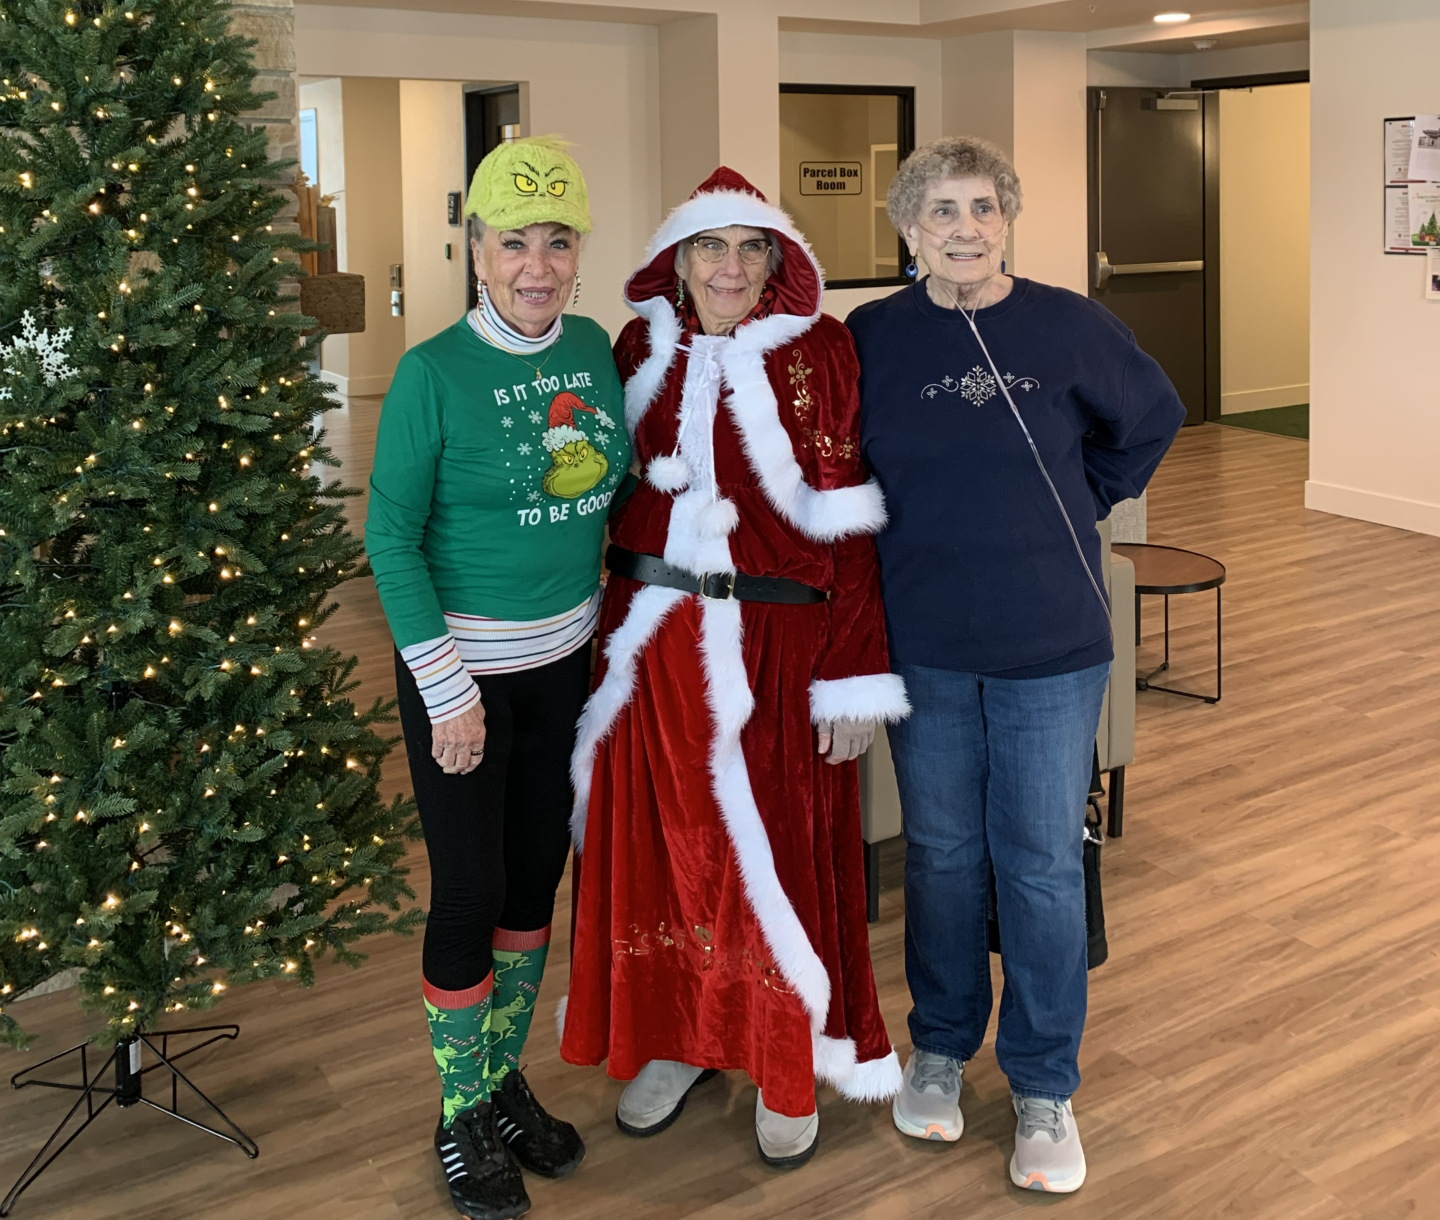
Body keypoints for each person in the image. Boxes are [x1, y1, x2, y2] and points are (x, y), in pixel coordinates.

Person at [846, 136, 1185, 1194]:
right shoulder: (872, 338)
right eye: (939, 211)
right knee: (943, 855)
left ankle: (1043, 1082)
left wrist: (1088, 496)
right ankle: (942, 1047)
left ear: (1008, 219)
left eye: (982, 208)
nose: (963, 228)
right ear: (909, 229)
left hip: (1051, 645)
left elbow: (1152, 415)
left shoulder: (1069, 323)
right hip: (927, 646)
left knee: (1038, 859)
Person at [559, 167, 909, 1168]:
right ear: (677, 260)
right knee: (664, 853)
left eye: (751, 248)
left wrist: (853, 673)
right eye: (710, 247)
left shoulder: (824, 350)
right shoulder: (635, 348)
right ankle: (679, 1036)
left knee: (779, 858)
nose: (731, 267)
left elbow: (848, 523)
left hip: (775, 644)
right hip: (647, 641)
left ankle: (781, 1052)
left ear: (777, 261)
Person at [366, 136, 629, 1220]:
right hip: (462, 681)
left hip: (563, 671)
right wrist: (446, 689)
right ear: (476, 251)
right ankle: (457, 1114)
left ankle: (497, 1081)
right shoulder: (434, 371)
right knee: (471, 892)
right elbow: (389, 534)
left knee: (534, 888)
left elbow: (605, 496)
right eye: (512, 241)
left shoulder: (595, 348)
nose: (536, 265)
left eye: (555, 241)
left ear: (577, 253)